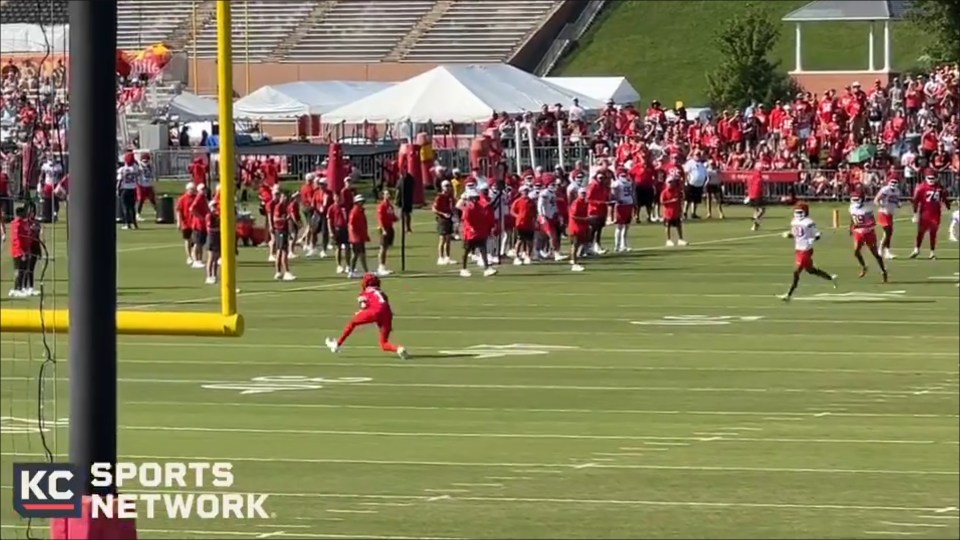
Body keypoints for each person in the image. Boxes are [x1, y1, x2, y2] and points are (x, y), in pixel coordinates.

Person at [325, 273, 408, 359]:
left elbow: (364, 306)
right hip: (387, 313)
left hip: (376, 311)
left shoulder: (365, 293)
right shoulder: (382, 293)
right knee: (384, 344)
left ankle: (337, 344)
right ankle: (399, 349)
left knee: (353, 323)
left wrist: (360, 312)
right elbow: (385, 306)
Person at [779, 203, 838, 301]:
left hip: (806, 249)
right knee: (811, 270)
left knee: (796, 272)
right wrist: (789, 235)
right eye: (796, 212)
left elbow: (817, 234)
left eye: (800, 212)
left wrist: (813, 239)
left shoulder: (808, 222)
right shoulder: (794, 221)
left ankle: (788, 294)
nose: (798, 214)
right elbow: (796, 234)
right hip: (798, 249)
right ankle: (831, 278)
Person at [848, 192, 888, 282]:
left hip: (868, 232)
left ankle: (883, 271)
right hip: (858, 232)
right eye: (853, 199)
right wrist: (850, 228)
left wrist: (862, 225)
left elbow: (872, 222)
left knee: (875, 254)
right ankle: (864, 266)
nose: (854, 201)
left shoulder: (867, 209)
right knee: (856, 251)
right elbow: (852, 218)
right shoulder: (851, 207)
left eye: (856, 199)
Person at [909, 174, 951, 259]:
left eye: (933, 178)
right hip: (924, 213)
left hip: (935, 214)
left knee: (933, 233)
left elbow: (945, 198)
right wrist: (915, 213)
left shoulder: (940, 188)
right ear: (926, 178)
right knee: (921, 233)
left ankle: (932, 252)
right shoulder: (921, 187)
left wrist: (947, 205)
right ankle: (917, 249)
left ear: (936, 178)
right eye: (929, 178)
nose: (931, 180)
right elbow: (916, 200)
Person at [458, 190, 497, 278]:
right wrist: (471, 228)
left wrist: (487, 229)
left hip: (480, 232)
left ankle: (486, 268)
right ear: (470, 199)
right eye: (473, 198)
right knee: (467, 251)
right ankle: (464, 269)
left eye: (477, 198)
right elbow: (466, 220)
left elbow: (484, 218)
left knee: (483, 250)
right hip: (470, 234)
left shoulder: (480, 207)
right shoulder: (468, 208)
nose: (475, 200)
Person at [873, 176, 901, 259]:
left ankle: (886, 252)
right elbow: (876, 200)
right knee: (888, 232)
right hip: (884, 213)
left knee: (889, 234)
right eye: (892, 182)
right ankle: (881, 250)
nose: (893, 184)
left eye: (895, 182)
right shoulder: (885, 190)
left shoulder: (897, 191)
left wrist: (898, 204)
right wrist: (881, 206)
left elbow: (896, 201)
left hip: (890, 214)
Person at [271, 190, 296, 281]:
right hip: (280, 230)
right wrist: (285, 219)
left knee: (281, 250)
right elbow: (275, 219)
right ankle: (286, 272)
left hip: (283, 230)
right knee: (282, 251)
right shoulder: (279, 206)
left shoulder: (286, 206)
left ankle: (279, 272)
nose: (285, 198)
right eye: (283, 197)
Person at [7, 205, 30, 298]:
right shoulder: (17, 224)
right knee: (19, 270)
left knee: (23, 270)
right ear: (20, 213)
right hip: (18, 251)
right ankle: (16, 289)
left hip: (23, 250)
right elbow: (17, 239)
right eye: (24, 212)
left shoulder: (22, 223)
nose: (25, 214)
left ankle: (19, 288)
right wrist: (22, 252)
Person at [511, 185, 536, 265]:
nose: (525, 192)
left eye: (526, 191)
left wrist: (535, 221)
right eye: (524, 191)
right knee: (520, 240)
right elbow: (512, 211)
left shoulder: (531, 202)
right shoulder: (517, 201)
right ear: (521, 192)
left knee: (530, 241)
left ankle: (528, 256)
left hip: (529, 224)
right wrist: (518, 216)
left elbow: (535, 212)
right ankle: (516, 257)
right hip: (520, 224)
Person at [566, 186, 589, 272]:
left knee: (580, 244)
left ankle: (573, 259)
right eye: (582, 193)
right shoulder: (576, 203)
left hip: (581, 226)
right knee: (575, 245)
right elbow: (573, 216)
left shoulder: (584, 202)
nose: (583, 195)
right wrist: (585, 219)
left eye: (584, 193)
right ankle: (574, 263)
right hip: (575, 227)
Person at [660, 175, 687, 247]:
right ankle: (668, 240)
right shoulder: (664, 192)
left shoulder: (677, 191)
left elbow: (681, 200)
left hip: (676, 212)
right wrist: (671, 201)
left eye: (672, 182)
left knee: (679, 226)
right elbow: (662, 202)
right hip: (668, 213)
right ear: (666, 183)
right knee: (667, 227)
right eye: (669, 182)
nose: (671, 183)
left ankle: (680, 239)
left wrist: (681, 211)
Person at [347, 194, 370, 279]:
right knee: (356, 254)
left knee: (362, 254)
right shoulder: (354, 211)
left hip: (360, 235)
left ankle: (366, 271)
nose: (361, 203)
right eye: (360, 201)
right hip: (356, 237)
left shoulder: (360, 211)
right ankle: (351, 271)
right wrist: (354, 236)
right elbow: (351, 224)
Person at [116, 152, 140, 230]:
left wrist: (117, 189)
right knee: (132, 207)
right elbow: (138, 174)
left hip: (124, 189)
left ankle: (127, 224)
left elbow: (120, 180)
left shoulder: (122, 169)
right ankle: (134, 224)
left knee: (125, 207)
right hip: (133, 189)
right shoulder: (135, 168)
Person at [433, 180, 455, 265]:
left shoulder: (450, 196)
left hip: (449, 219)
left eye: (449, 185)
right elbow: (434, 209)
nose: (448, 187)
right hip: (442, 219)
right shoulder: (439, 197)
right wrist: (443, 214)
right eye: (446, 186)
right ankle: (440, 257)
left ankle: (447, 257)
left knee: (448, 239)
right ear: (442, 187)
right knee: (442, 239)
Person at [611, 172, 634, 252]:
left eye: (625, 175)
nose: (624, 177)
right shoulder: (616, 183)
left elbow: (632, 193)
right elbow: (613, 192)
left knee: (626, 226)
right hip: (621, 206)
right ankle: (617, 245)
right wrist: (617, 199)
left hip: (629, 204)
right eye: (622, 175)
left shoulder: (629, 182)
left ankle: (623, 245)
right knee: (619, 226)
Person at [376, 188, 396, 276]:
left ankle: (383, 265)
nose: (388, 196)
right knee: (383, 248)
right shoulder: (382, 206)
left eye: (389, 194)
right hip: (384, 228)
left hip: (390, 227)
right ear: (383, 195)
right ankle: (381, 267)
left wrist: (397, 218)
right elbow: (380, 219)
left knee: (387, 247)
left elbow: (392, 216)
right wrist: (383, 229)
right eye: (386, 194)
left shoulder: (390, 206)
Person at [176, 183, 197, 266]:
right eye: (191, 189)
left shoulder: (196, 197)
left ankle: (193, 255)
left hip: (195, 223)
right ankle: (189, 257)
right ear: (187, 189)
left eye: (193, 189)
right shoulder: (182, 199)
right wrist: (179, 221)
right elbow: (178, 210)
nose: (192, 191)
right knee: (187, 240)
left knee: (196, 241)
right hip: (186, 223)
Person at [329, 194, 351, 275]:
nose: (338, 199)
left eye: (339, 197)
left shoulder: (344, 207)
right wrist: (331, 232)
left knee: (348, 247)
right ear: (334, 198)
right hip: (337, 229)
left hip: (345, 229)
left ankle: (348, 265)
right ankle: (339, 265)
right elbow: (329, 220)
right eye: (336, 197)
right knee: (338, 248)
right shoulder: (331, 208)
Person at [189, 184, 210, 269]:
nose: (205, 190)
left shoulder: (203, 197)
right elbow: (192, 208)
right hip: (198, 224)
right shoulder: (200, 197)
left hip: (202, 224)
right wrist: (200, 217)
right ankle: (195, 260)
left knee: (200, 243)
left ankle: (199, 260)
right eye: (203, 189)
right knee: (197, 243)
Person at [135, 151, 157, 221]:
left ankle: (157, 211)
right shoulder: (139, 167)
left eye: (146, 160)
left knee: (152, 199)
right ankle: (137, 214)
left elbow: (152, 173)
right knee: (141, 200)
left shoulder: (151, 166)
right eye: (144, 161)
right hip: (141, 185)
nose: (145, 162)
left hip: (149, 185)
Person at [205, 197, 221, 285]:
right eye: (214, 206)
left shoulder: (217, 215)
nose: (215, 207)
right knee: (211, 258)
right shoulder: (209, 215)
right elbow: (210, 228)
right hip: (212, 237)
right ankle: (208, 276)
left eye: (216, 206)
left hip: (217, 237)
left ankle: (214, 275)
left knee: (216, 258)